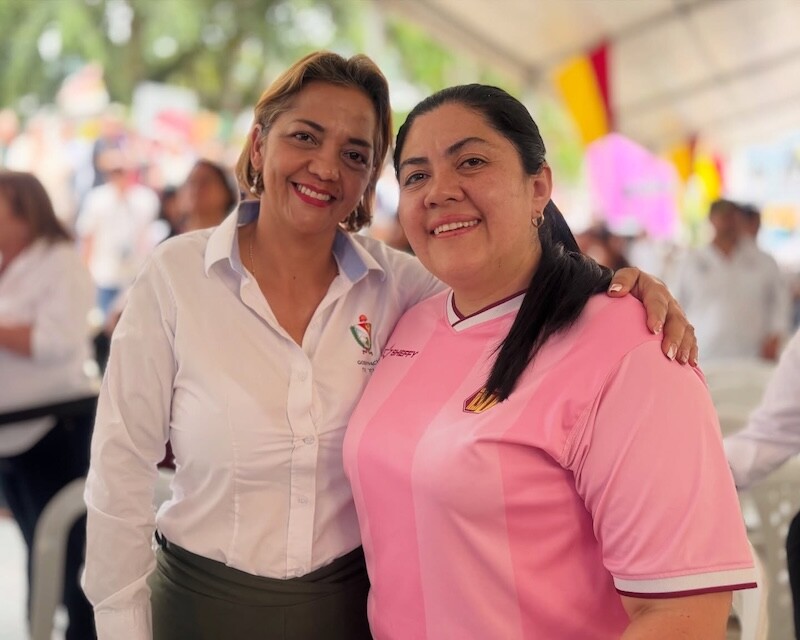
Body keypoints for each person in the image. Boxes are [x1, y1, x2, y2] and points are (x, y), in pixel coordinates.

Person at [83, 52, 698, 640]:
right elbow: (119, 469)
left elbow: (514, 275)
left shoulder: (403, 287)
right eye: (304, 136)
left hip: (353, 613)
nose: (326, 167)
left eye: (355, 153)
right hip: (201, 608)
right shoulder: (176, 277)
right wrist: (121, 625)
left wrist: (615, 288)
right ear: (258, 142)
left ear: (370, 180)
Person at [343, 84, 756, 639]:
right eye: (416, 175)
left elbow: (686, 614)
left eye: (471, 162)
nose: (440, 190)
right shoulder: (407, 317)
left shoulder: (631, 345)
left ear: (538, 185)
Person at [0, 171, 96, 639]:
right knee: (35, 545)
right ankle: (38, 626)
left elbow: (55, 342)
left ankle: (80, 632)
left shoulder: (60, 263)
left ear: (25, 210)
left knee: (66, 549)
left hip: (52, 428)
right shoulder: (7, 262)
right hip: (11, 433)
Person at [674, 198, 790, 362]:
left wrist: (776, 333)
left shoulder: (763, 261)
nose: (728, 222)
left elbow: (780, 301)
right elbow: (676, 304)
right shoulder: (691, 261)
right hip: (704, 354)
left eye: (732, 217)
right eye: (723, 217)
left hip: (753, 354)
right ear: (711, 220)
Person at [178, 158, 239, 233]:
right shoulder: (169, 241)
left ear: (226, 192)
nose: (196, 189)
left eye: (205, 182)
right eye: (192, 182)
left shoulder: (238, 239)